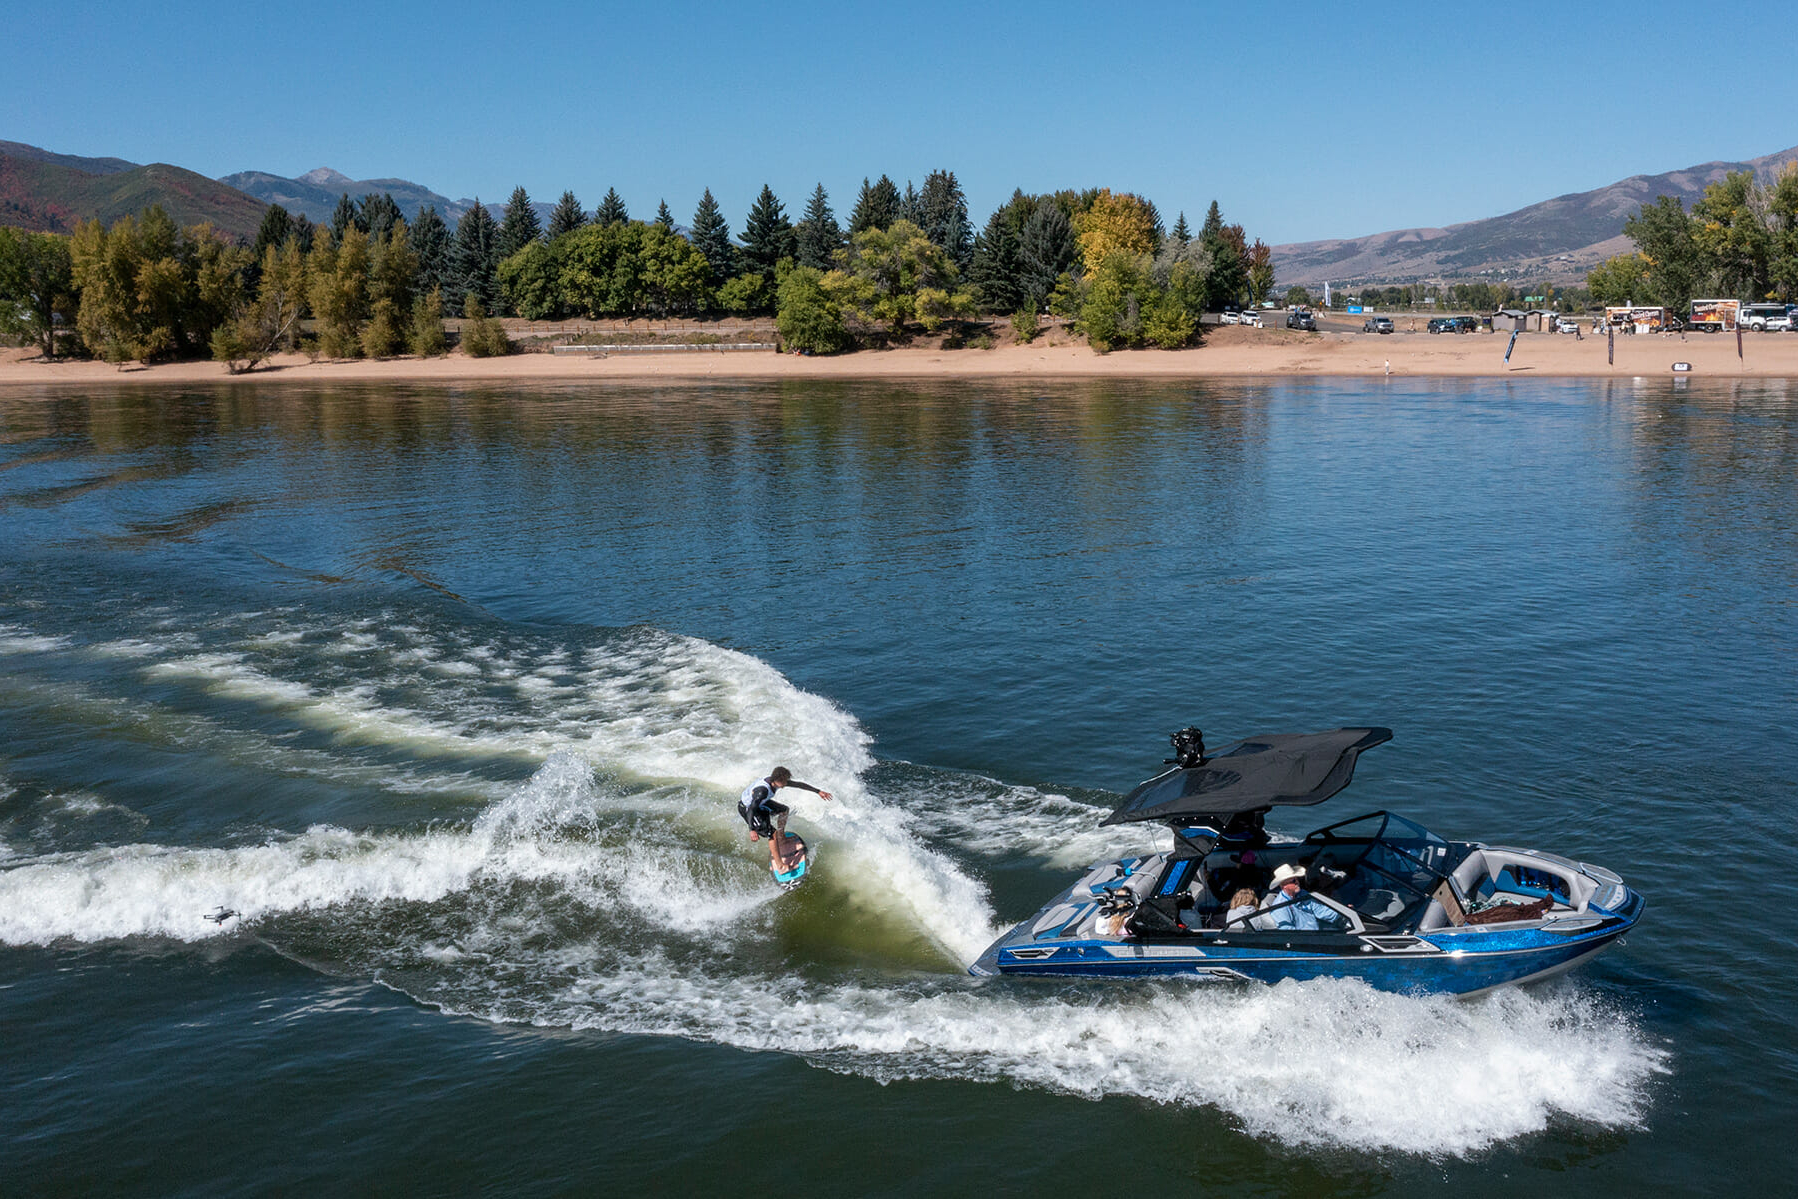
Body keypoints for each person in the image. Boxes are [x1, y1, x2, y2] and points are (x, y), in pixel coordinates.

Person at [739, 766, 832, 867]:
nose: (786, 783)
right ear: (778, 780)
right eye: (785, 781)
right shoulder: (762, 791)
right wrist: (751, 829)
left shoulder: (774, 781)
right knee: (772, 833)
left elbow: (798, 785)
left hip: (760, 804)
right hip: (748, 809)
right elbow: (752, 808)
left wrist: (818, 791)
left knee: (784, 810)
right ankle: (781, 866)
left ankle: (781, 837)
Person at [1263, 862, 1343, 931]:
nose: (1297, 882)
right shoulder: (1279, 908)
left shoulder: (1303, 894)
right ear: (1284, 886)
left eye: (1297, 879)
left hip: (1317, 935)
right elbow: (1289, 934)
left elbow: (1321, 911)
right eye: (1293, 881)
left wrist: (1342, 911)